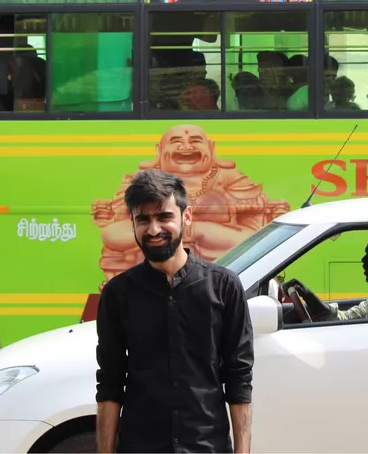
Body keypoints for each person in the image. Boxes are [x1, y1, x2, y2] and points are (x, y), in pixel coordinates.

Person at [95, 169, 254, 453]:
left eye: (164, 217)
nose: (154, 229)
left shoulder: (224, 287)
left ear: (186, 217)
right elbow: (110, 382)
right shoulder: (118, 294)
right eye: (143, 219)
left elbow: (239, 379)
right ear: (132, 223)